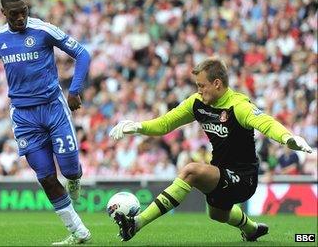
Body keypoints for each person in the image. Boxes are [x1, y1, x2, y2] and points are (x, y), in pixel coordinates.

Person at [109, 57, 313, 242]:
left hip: (244, 177)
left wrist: (288, 138)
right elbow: (165, 124)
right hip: (220, 172)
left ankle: (136, 224)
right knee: (216, 214)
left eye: (201, 85)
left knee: (191, 171)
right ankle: (252, 229)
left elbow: (266, 123)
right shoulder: (197, 103)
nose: (198, 90)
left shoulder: (238, 105)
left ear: (217, 84)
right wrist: (137, 126)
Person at [0, 0, 91, 245]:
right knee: (46, 177)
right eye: (14, 14)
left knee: (70, 169)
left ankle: (74, 178)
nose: (20, 18)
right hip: (24, 116)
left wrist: (74, 90)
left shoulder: (43, 30)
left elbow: (82, 53)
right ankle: (78, 232)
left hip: (53, 108)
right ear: (3, 13)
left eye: (24, 12)